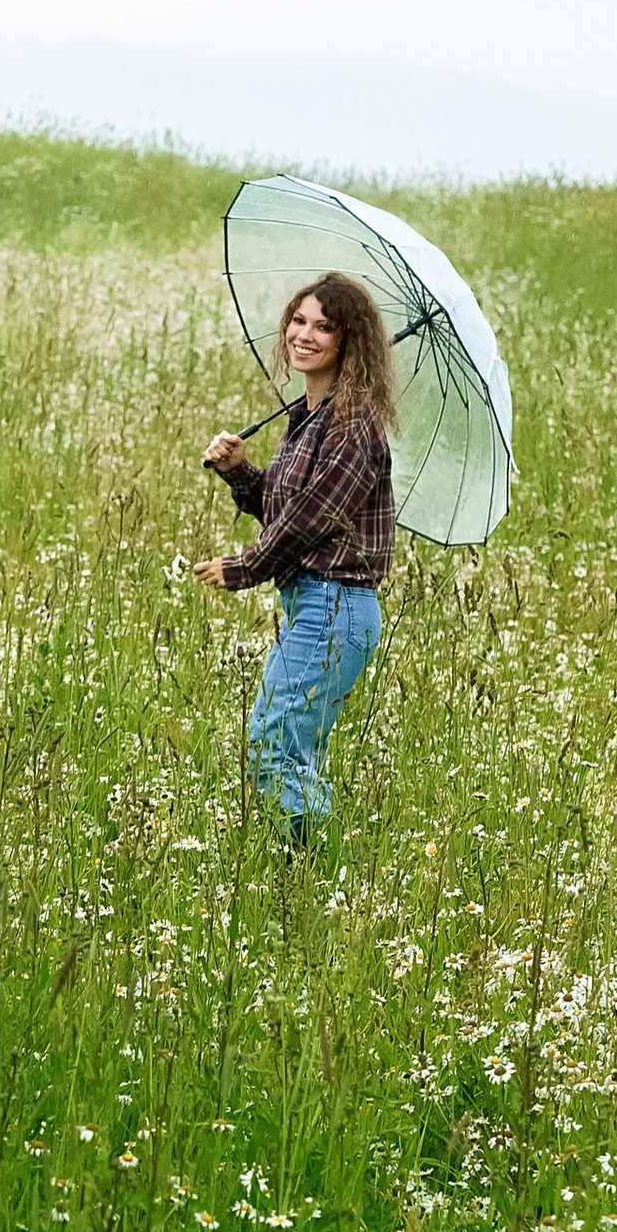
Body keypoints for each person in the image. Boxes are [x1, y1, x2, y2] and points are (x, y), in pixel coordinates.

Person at [194, 273, 397, 839]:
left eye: (324, 327)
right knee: (285, 746)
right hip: (315, 603)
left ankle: (309, 866)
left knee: (274, 746)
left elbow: (316, 519)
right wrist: (239, 473)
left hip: (336, 606)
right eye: (299, 321)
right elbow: (289, 508)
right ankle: (310, 872)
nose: (304, 335)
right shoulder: (307, 417)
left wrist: (243, 568)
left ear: (347, 343)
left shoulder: (355, 426)